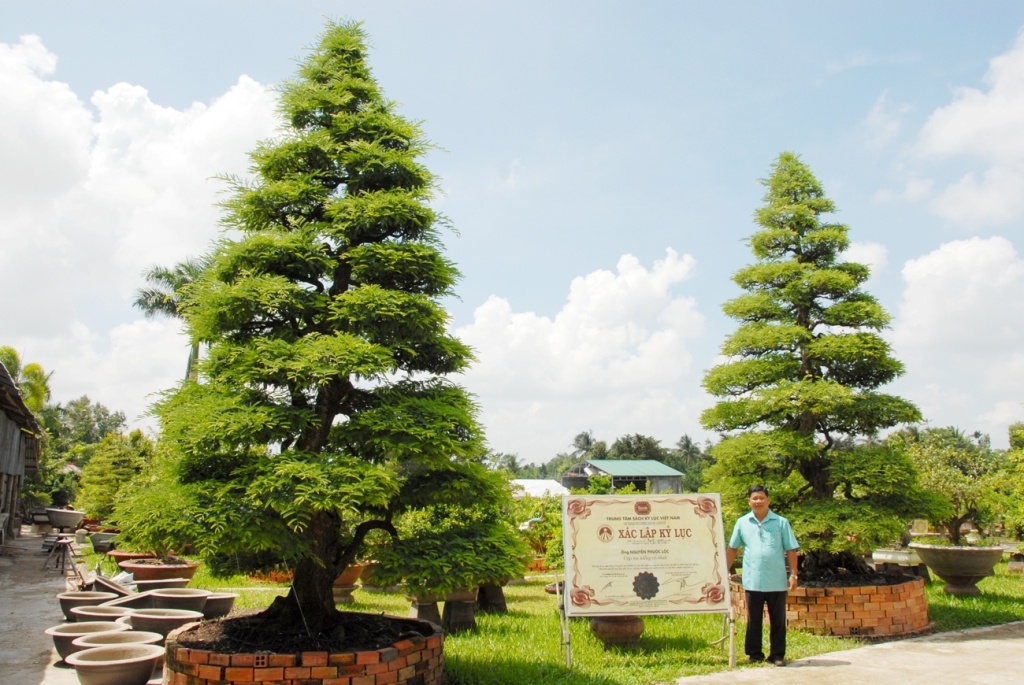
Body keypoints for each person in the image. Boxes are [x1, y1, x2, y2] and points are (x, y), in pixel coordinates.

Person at [726, 485, 800, 667]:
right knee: (754, 620)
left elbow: (791, 549)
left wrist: (794, 574)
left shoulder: (781, 522)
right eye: (755, 498)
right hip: (753, 580)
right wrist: (725, 570)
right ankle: (754, 654)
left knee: (778, 621)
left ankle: (777, 655)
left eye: (761, 498)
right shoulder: (742, 522)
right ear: (749, 501)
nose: (758, 501)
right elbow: (733, 548)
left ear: (768, 500)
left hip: (777, 581)